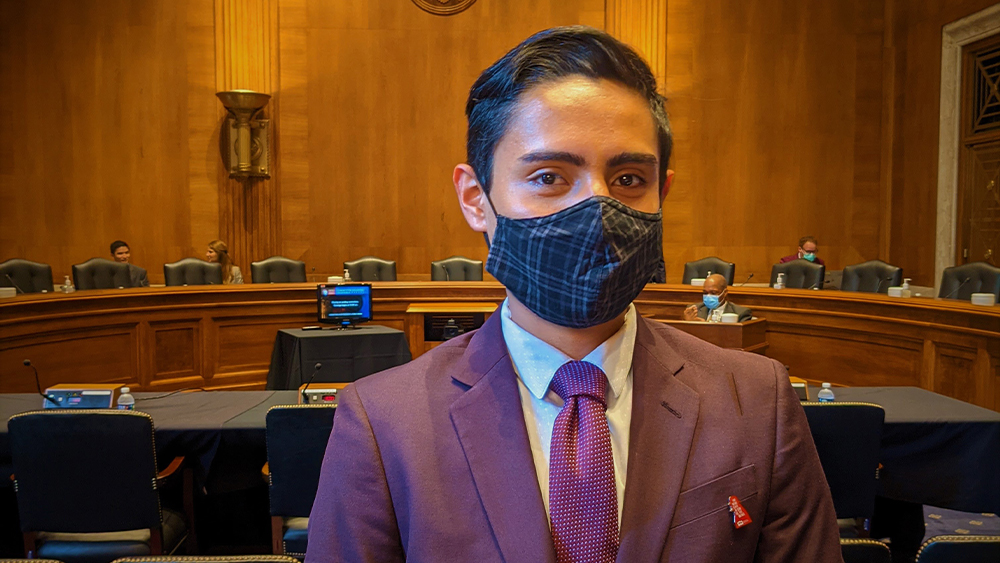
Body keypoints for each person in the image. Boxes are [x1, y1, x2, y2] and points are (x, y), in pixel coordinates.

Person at [306, 26, 839, 563]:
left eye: (629, 179)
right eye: (548, 177)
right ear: (475, 199)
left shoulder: (757, 400)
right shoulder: (383, 421)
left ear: (663, 194)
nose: (597, 211)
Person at [684, 273, 752, 322]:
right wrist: (689, 324)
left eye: (713, 293)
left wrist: (704, 328)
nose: (708, 296)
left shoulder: (741, 313)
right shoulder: (693, 311)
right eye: (705, 293)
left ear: (725, 293)